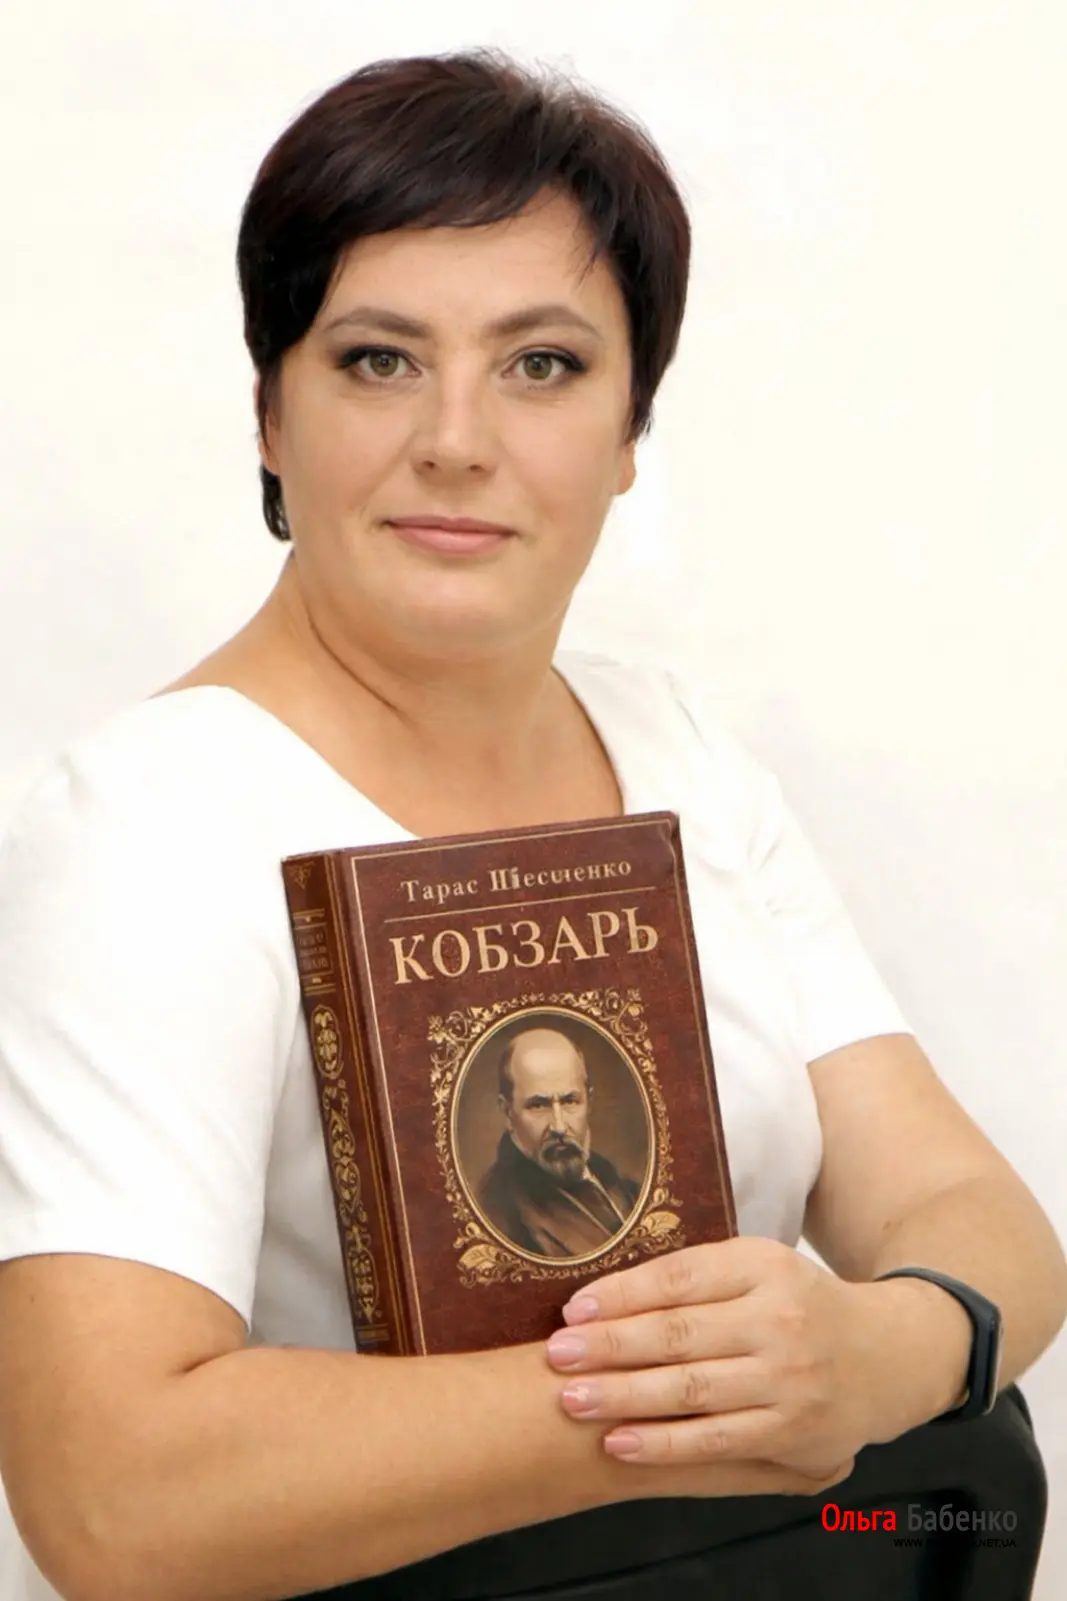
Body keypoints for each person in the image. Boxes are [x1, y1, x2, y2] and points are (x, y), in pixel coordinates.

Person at [0, 46, 1064, 1601]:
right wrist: (718, 1401)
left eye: (542, 365)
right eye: (377, 358)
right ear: (270, 416)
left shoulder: (679, 756)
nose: (455, 438)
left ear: (630, 432)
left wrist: (881, 1346)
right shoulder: (147, 823)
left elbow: (972, 1218)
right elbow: (116, 1497)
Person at [477, 1027, 641, 1257]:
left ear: (589, 1101)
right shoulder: (499, 1214)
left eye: (570, 1101)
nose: (559, 1126)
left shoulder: (621, 1186)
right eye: (538, 1105)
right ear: (507, 1112)